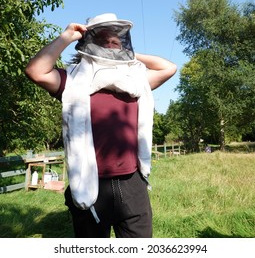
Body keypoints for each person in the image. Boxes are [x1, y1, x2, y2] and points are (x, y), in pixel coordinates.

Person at [25, 13, 177, 238]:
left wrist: (130, 55)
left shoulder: (136, 80)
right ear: (89, 43)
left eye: (117, 39)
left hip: (133, 184)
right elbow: (35, 71)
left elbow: (169, 67)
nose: (111, 42)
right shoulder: (72, 81)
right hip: (89, 185)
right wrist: (67, 36)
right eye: (104, 38)